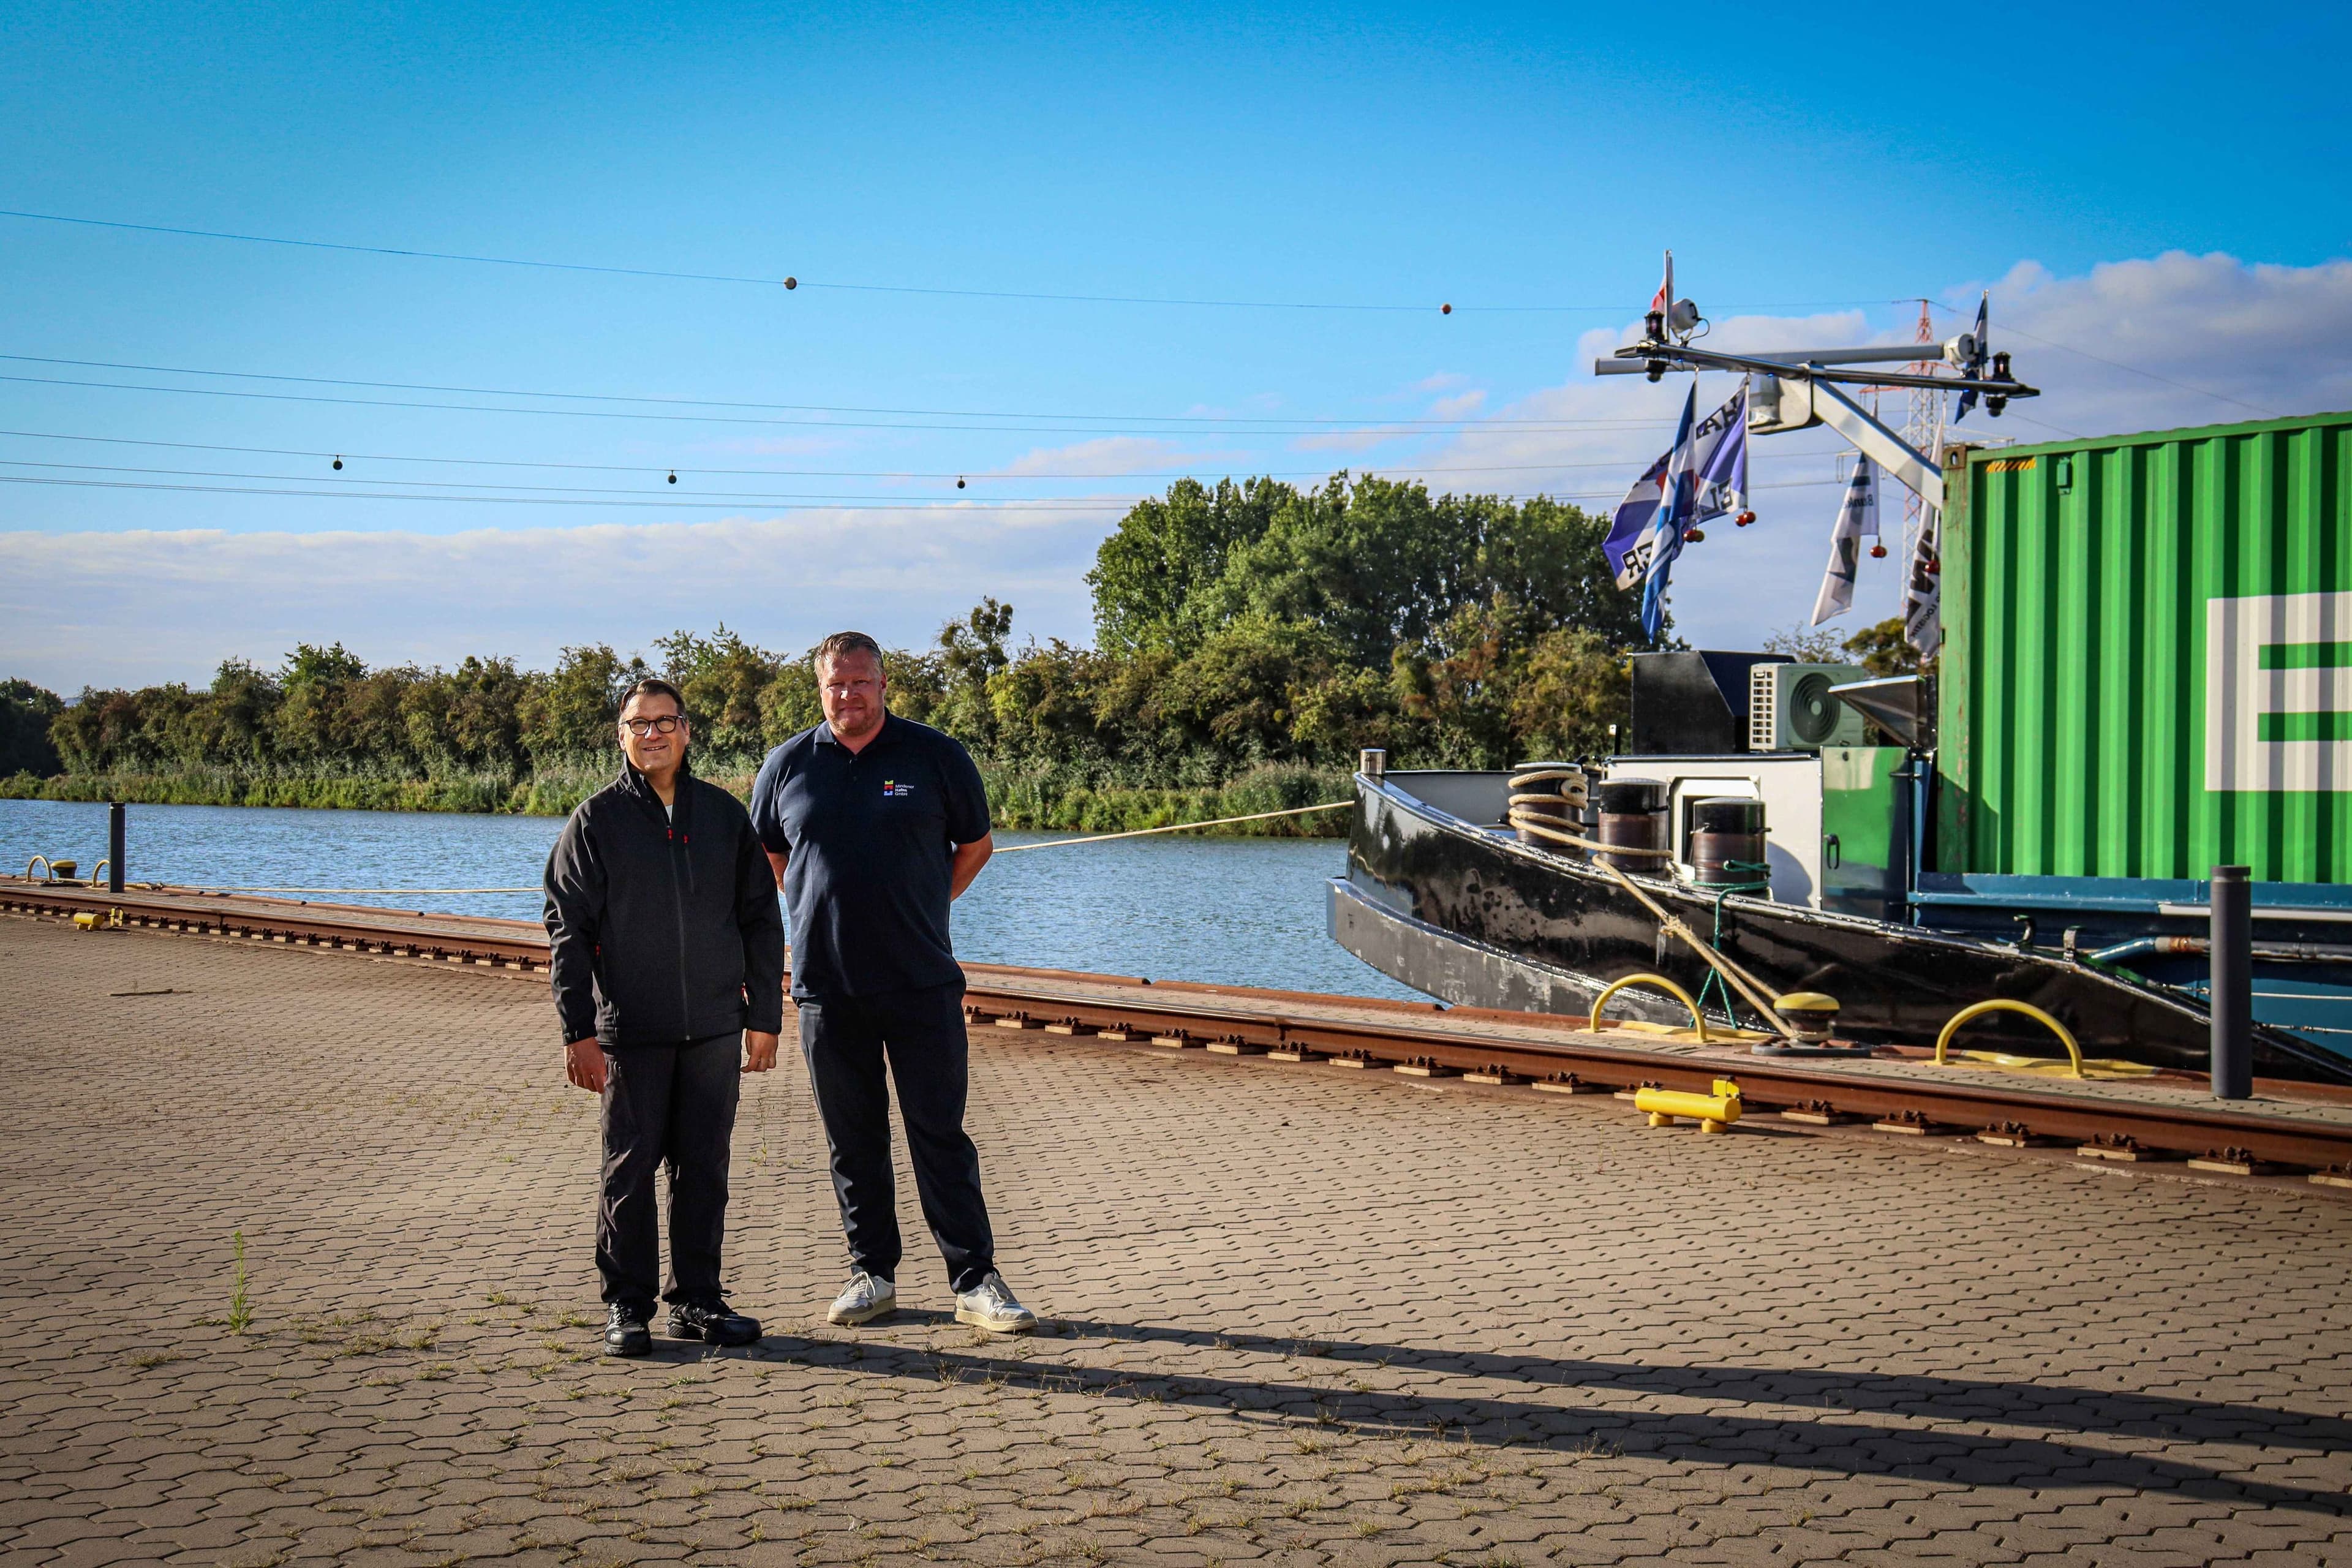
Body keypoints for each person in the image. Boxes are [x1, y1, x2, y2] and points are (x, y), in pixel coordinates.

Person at [749, 631, 1036, 1334]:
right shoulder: (787, 766)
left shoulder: (935, 756)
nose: (848, 694)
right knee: (854, 1142)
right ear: (820, 689)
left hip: (921, 982)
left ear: (884, 684)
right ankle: (871, 1275)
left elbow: (976, 846)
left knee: (939, 1133)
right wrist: (816, 909)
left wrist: (924, 905)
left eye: (860, 681)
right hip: (826, 986)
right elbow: (769, 853)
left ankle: (975, 1281)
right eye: (835, 684)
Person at [545, 677, 788, 1357]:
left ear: (686, 731)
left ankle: (698, 1302)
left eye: (664, 722)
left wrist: (762, 1016)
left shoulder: (722, 815)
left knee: (704, 1170)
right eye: (637, 724)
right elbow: (567, 930)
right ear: (621, 735)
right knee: (629, 1172)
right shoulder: (596, 822)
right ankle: (627, 1306)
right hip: (631, 1033)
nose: (651, 734)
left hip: (714, 1028)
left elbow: (761, 921)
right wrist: (578, 1031)